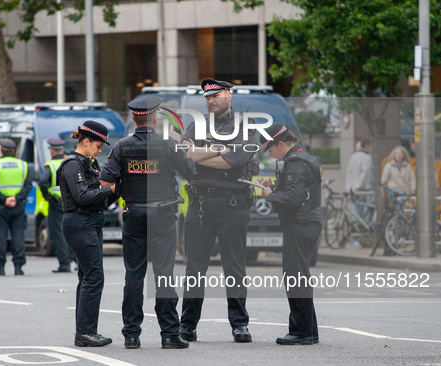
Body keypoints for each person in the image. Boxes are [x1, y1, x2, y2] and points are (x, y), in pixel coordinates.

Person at [100, 96, 195, 350]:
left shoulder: (121, 147)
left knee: (134, 275)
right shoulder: (167, 146)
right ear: (155, 119)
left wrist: (123, 189)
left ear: (134, 118)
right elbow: (189, 171)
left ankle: (131, 335)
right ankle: (169, 334)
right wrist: (181, 146)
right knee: (164, 274)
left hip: (133, 214)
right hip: (162, 215)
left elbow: (105, 182)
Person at [179, 78, 256, 343]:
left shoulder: (246, 125)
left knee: (234, 268)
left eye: (216, 96)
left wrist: (203, 153)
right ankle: (187, 325)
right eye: (207, 97)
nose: (211, 101)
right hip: (199, 204)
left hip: (232, 204)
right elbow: (184, 154)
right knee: (194, 268)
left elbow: (234, 160)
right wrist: (218, 149)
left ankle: (239, 324)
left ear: (228, 95)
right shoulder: (197, 124)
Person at [258, 122, 322, 345]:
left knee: (295, 279)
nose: (271, 154)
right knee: (300, 277)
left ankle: (301, 331)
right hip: (307, 222)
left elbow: (294, 199)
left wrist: (269, 195)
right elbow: (301, 192)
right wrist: (274, 187)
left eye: (271, 149)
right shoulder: (304, 158)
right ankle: (309, 330)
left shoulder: (294, 163)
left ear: (282, 143)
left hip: (300, 224)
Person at [57, 121, 117, 347]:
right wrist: (108, 190)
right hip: (79, 222)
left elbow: (99, 198)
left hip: (90, 221)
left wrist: (116, 190)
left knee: (87, 277)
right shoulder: (72, 165)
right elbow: (82, 197)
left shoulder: (88, 164)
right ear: (85, 141)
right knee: (94, 276)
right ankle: (85, 332)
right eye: (98, 146)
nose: (100, 151)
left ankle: (85, 332)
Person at [0, 138, 33, 276]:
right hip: (18, 206)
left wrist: (4, 199)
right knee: (18, 236)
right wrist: (16, 198)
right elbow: (28, 186)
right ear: (13, 151)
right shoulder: (23, 165)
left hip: (1, 207)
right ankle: (19, 267)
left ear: (1, 150)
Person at [38, 138, 77, 273]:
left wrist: (47, 195)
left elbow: (43, 182)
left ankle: (64, 264)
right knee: (74, 231)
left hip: (57, 203)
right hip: (73, 202)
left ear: (51, 151)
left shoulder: (51, 165)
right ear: (62, 150)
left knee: (58, 233)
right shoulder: (70, 162)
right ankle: (77, 261)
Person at [345, 137, 373, 226]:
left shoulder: (353, 157)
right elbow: (364, 174)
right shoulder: (367, 158)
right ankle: (364, 231)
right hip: (364, 189)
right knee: (367, 212)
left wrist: (350, 188)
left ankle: (356, 231)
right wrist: (358, 186)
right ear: (366, 146)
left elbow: (348, 173)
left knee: (356, 212)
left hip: (353, 190)